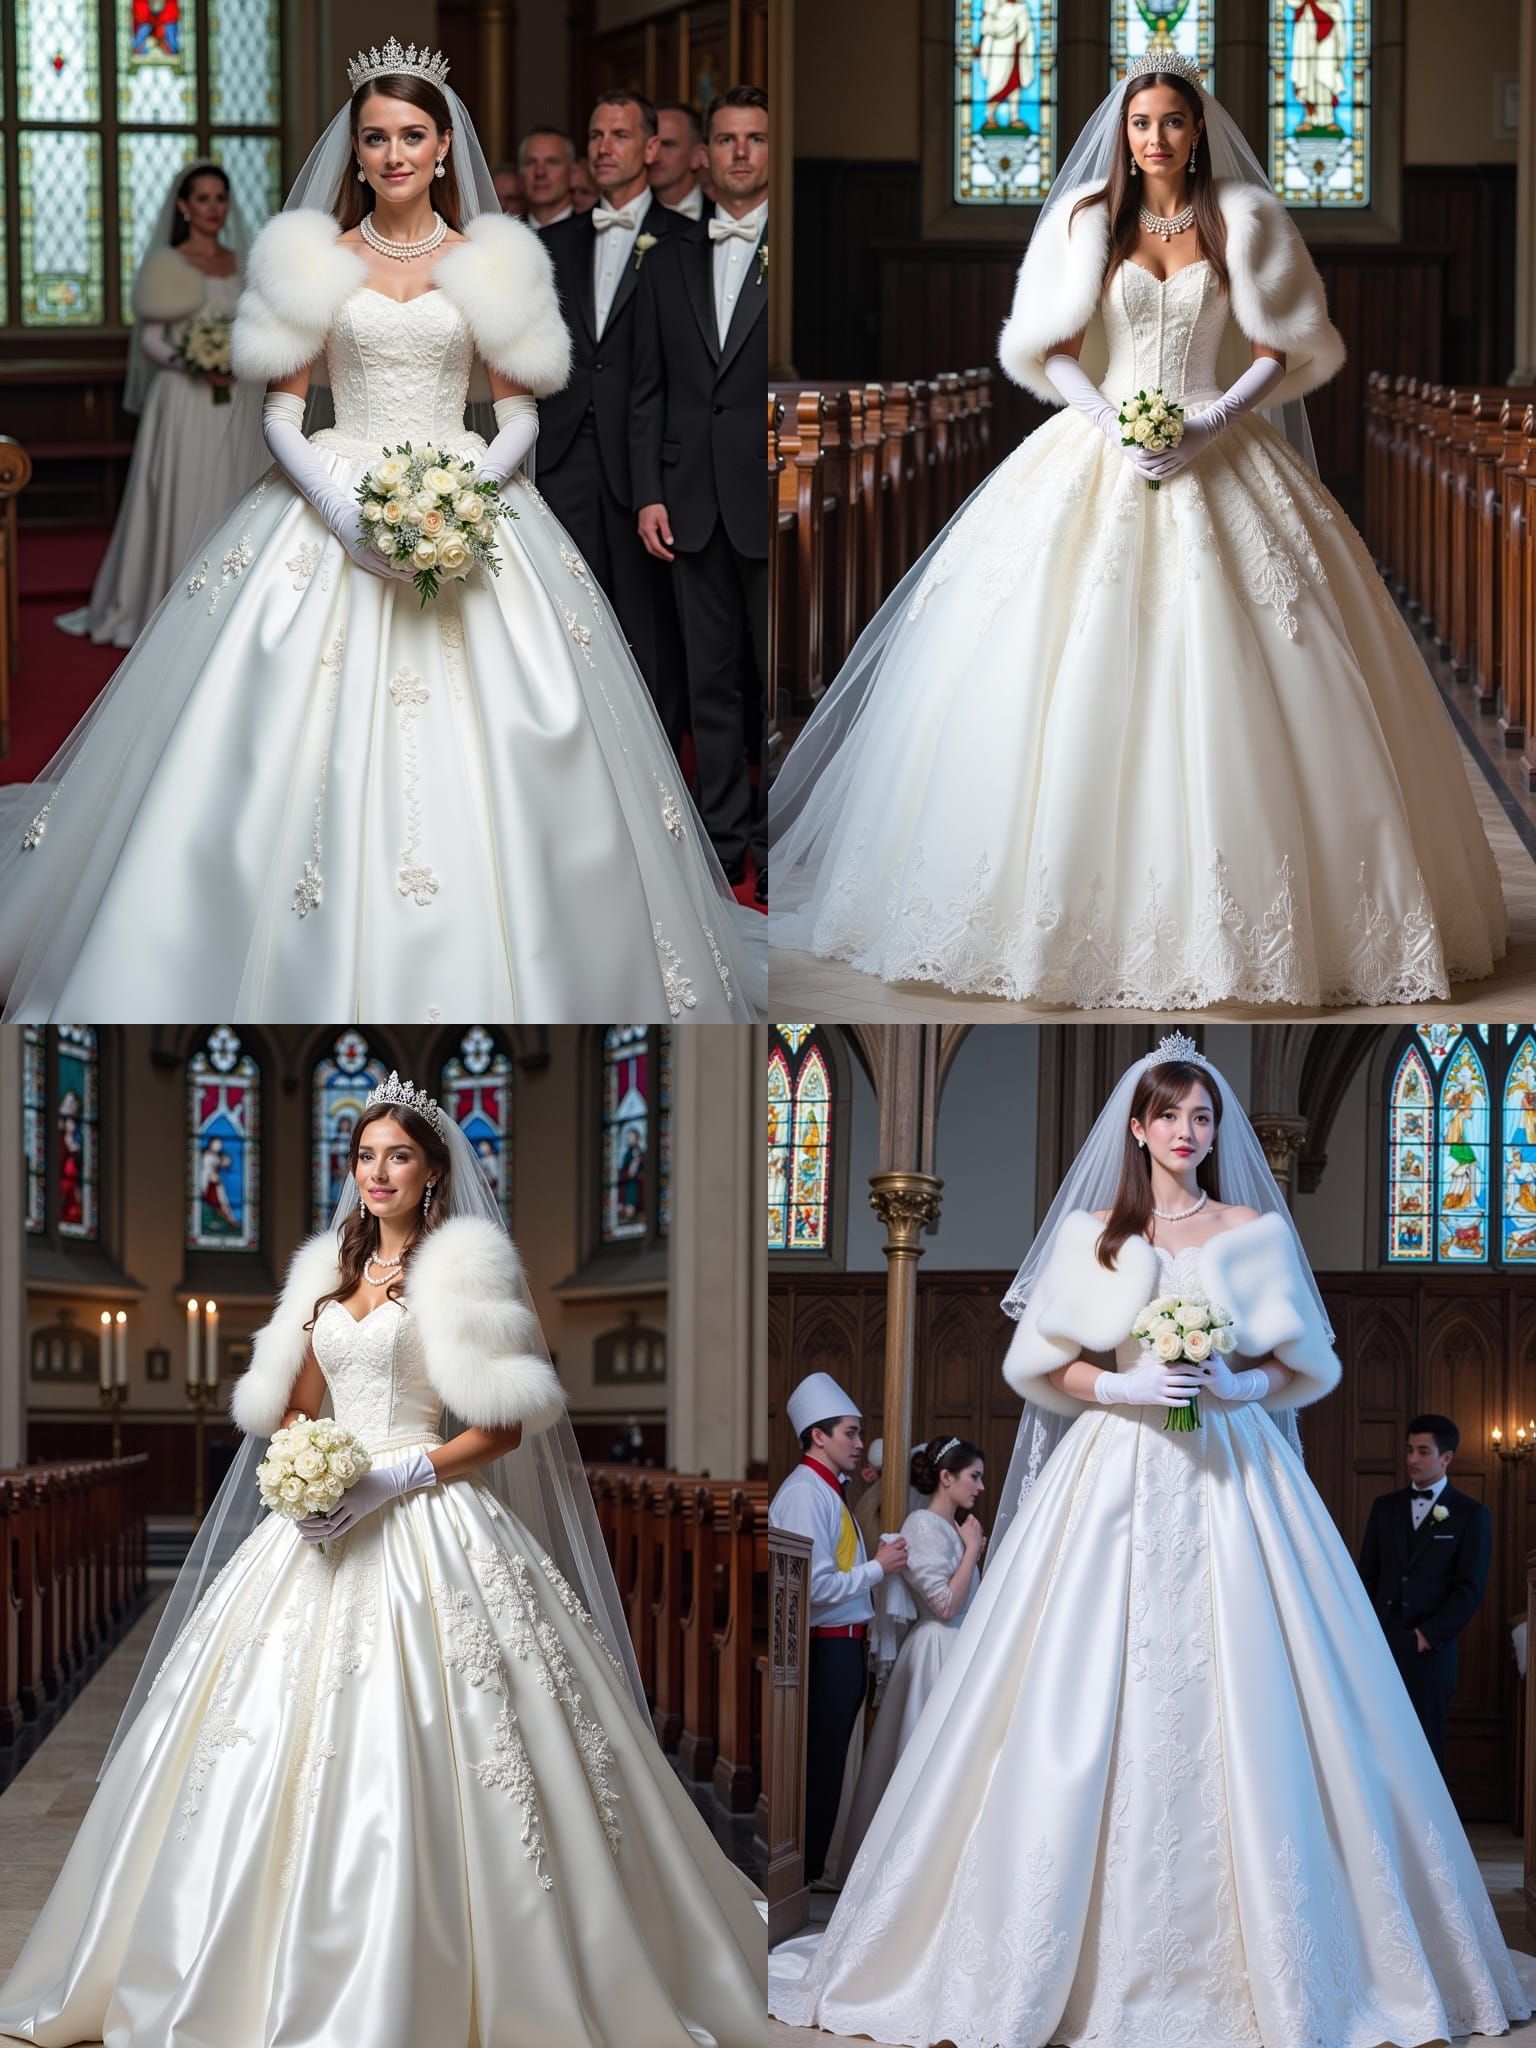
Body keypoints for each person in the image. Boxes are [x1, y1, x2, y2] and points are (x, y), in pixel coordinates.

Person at [770, 1035, 1536, 2043]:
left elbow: (1309, 1362)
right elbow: (1038, 1364)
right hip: (1116, 1467)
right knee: (1074, 1674)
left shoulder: (1251, 1229)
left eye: (1202, 1115)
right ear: (1137, 1127)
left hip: (1234, 1470)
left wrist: (1241, 1383)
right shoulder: (1094, 1233)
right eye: (1170, 1114)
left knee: (1264, 1677)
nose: (1188, 1130)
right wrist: (1123, 1382)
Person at [0, 43, 762, 1024]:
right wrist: (348, 515)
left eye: (411, 136)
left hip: (466, 499)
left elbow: (519, 415)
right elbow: (282, 416)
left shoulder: (494, 263)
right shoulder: (313, 262)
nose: (394, 154)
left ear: (443, 147)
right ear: (355, 155)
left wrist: (459, 497)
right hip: (332, 498)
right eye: (375, 138)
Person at [0, 1074, 765, 2047]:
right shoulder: (327, 1271)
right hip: (321, 1523)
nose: (378, 1171)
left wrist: (395, 1474)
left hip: (429, 1507)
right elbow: (295, 1403)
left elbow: (501, 1424)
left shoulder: (465, 1267)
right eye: (365, 1155)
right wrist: (308, 1471)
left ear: (433, 1168)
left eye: (398, 1155)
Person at [768, 52, 1506, 1008]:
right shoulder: (1086, 219)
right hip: (1099, 443)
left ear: (1199, 132)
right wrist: (1113, 423)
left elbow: (1281, 349)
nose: (1156, 137)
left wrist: (1210, 422)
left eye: (1173, 121)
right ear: (1123, 134)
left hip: (1218, 441)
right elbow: (1052, 350)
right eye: (1141, 123)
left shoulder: (1244, 219)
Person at [633, 85, 769, 898]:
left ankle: (771, 841)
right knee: (708, 682)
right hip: (687, 497)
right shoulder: (667, 256)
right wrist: (649, 491)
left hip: (771, 493)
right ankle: (722, 849)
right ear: (703, 156)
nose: (740, 152)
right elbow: (647, 389)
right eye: (726, 139)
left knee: (768, 682)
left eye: (755, 138)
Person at [57, 161, 250, 647]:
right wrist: (193, 361)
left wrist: (237, 358)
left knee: (232, 488)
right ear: (184, 206)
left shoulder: (243, 260)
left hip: (233, 398)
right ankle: (167, 604)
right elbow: (151, 340)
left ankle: (229, 605)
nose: (213, 208)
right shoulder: (168, 263)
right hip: (183, 398)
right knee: (183, 491)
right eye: (202, 199)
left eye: (220, 198)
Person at [539, 93, 683, 733]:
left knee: (647, 624)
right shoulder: (549, 244)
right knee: (563, 611)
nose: (603, 147)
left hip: (645, 463)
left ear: (650, 148)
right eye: (596, 134)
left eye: (619, 135)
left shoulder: (686, 240)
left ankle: (649, 757)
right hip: (563, 451)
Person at [770, 1373, 907, 1886]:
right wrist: (879, 1568)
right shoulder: (806, 1494)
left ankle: (807, 1879)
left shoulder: (828, 1490)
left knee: (829, 1771)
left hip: (844, 1648)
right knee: (821, 1772)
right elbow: (814, 1587)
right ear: (818, 1436)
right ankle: (800, 1883)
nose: (858, 1443)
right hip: (825, 1650)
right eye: (850, 1432)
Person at [842, 1438, 986, 1874]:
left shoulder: (949, 1527)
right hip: (936, 1650)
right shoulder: (922, 1526)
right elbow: (944, 1604)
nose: (980, 1487)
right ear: (946, 1477)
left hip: (958, 1647)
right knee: (927, 1757)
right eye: (974, 1476)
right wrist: (973, 1550)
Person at [1359, 1414, 1492, 1769]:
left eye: (1422, 1451)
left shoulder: (1471, 1515)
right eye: (1409, 1450)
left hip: (1431, 1653)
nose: (1412, 1459)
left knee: (1424, 1751)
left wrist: (1427, 1636)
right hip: (1381, 1646)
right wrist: (1369, 1632)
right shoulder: (1384, 1508)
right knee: (1376, 1748)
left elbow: (1469, 1589)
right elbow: (1367, 1576)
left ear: (1446, 1457)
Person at [652, 101, 710, 219]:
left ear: (697, 155)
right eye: (650, 146)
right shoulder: (627, 217)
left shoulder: (722, 218)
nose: (654, 155)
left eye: (667, 145)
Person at [519, 125, 576, 227]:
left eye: (551, 162)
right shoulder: (507, 233)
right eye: (531, 162)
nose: (540, 172)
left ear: (572, 172)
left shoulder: (593, 231)